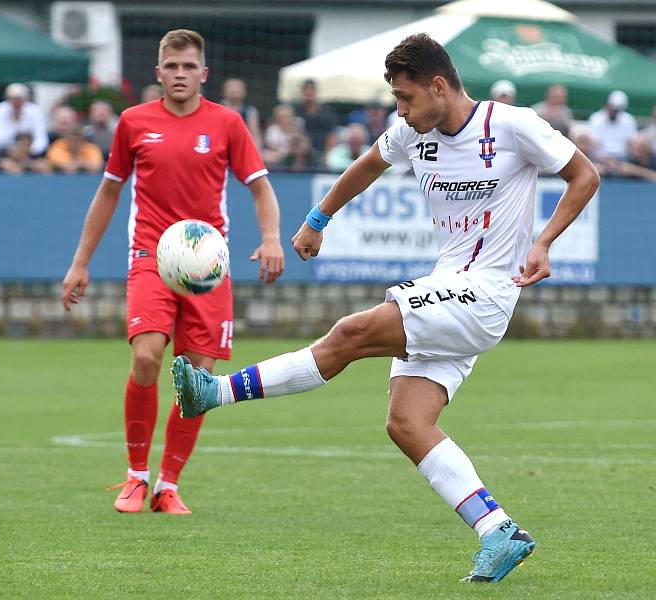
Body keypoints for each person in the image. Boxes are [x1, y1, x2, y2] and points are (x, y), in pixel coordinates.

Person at [171, 33, 599, 582]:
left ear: (438, 86)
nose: (399, 110)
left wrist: (542, 242)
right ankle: (498, 531)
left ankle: (215, 392)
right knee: (406, 422)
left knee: (350, 333)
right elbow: (366, 166)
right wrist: (316, 221)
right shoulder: (410, 134)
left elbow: (584, 174)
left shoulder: (510, 125)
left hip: (486, 291)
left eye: (406, 98)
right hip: (455, 292)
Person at [61, 29, 284, 515]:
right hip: (150, 257)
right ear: (158, 73)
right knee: (146, 359)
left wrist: (270, 239)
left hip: (208, 266)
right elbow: (108, 193)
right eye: (172, 67)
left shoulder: (227, 123)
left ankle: (168, 486)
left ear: (203, 75)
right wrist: (80, 262)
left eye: (189, 67)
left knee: (198, 377)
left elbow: (261, 188)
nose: (180, 75)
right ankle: (135, 477)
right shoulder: (133, 122)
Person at [0, 83, 49, 158]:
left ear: (26, 99)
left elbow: (41, 139)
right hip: (4, 153)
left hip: (30, 154)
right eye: (13, 98)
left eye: (19, 98)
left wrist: (29, 151)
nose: (16, 102)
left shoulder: (35, 111)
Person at [588, 90, 637, 161]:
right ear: (608, 105)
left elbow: (631, 143)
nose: (615, 112)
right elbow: (594, 144)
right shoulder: (596, 119)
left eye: (618, 110)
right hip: (600, 159)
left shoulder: (629, 120)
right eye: (613, 109)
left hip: (623, 159)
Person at [293, 79, 338, 153]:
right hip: (300, 153)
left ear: (316, 91)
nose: (308, 92)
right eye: (306, 89)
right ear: (301, 92)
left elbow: (332, 135)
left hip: (322, 151)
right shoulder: (295, 110)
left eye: (311, 89)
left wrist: (328, 154)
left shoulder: (327, 111)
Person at [220, 77, 262, 149]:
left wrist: (256, 150)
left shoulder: (250, 111)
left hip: (241, 148)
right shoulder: (216, 109)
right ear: (223, 91)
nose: (235, 89)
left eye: (239, 87)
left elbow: (255, 134)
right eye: (231, 86)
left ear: (245, 92)